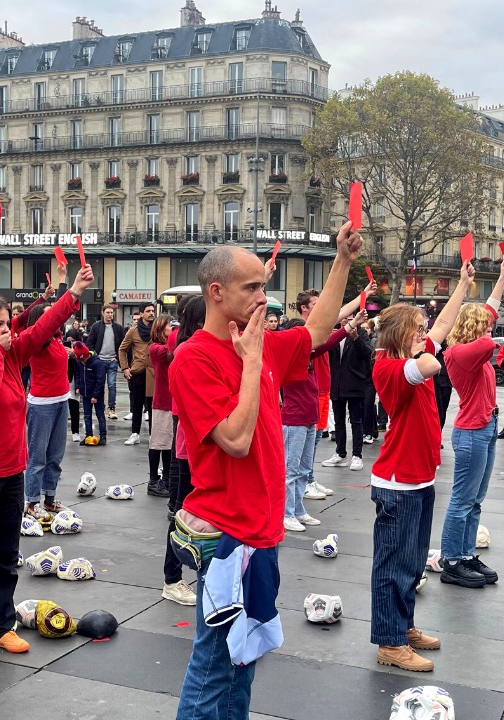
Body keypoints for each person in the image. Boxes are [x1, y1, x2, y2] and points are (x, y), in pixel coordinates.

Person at [169, 223, 358, 720]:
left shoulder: (263, 343)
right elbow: (234, 440)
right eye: (252, 287)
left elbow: (316, 330)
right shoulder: (192, 358)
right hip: (225, 535)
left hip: (262, 532)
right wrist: (251, 365)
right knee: (212, 667)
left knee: (243, 659)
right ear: (217, 292)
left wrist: (341, 260)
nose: (263, 296)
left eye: (263, 286)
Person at [0, 263, 93, 672]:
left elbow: (43, 328)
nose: (8, 330)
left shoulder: (12, 354)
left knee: (6, 557)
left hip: (11, 471)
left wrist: (73, 293)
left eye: (8, 323)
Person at [368, 262, 472, 672]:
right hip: (398, 482)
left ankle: (403, 625)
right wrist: (421, 349)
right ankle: (390, 643)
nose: (425, 332)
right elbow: (431, 364)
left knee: (411, 563)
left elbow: (444, 324)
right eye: (417, 327)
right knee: (392, 565)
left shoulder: (408, 353)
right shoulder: (390, 367)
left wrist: (463, 286)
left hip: (418, 478)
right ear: (400, 335)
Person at [438, 259, 504, 589]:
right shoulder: (458, 353)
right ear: (472, 326)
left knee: (475, 499)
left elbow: (491, 312)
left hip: (486, 427)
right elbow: (487, 337)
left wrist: (503, 277)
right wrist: (470, 296)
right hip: (471, 432)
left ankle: (466, 554)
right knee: (461, 500)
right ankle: (452, 560)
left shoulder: (473, 347)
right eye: (485, 325)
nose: (491, 330)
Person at [283, 313, 355, 531]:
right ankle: (286, 514)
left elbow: (326, 341)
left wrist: (350, 325)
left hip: (308, 420)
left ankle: (297, 511)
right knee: (291, 470)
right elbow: (326, 341)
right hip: (294, 421)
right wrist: (348, 326)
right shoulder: (290, 358)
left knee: (303, 469)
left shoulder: (307, 358)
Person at [154, 299, 202, 607]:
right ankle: (171, 579)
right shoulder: (185, 349)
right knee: (183, 515)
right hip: (191, 448)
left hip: (203, 448)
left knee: (196, 514)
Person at [23, 290, 78, 520]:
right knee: (37, 458)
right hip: (41, 405)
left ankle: (49, 498)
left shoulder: (56, 339)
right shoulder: (36, 341)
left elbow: (59, 318)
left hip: (60, 401)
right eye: (48, 316)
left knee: (55, 456)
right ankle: (32, 502)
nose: (54, 320)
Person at [323, 313, 374, 471]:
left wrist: (356, 338)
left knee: (356, 421)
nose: (347, 319)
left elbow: (367, 353)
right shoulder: (335, 334)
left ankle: (357, 455)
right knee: (339, 421)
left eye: (351, 317)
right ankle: (340, 452)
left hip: (355, 383)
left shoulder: (361, 333)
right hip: (337, 384)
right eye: (345, 316)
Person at [147, 315, 177, 499]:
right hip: (162, 401)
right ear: (160, 328)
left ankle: (165, 478)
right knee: (158, 442)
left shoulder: (164, 347)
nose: (172, 328)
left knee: (168, 444)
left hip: (172, 400)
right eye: (169, 326)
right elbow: (171, 352)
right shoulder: (156, 348)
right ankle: (153, 480)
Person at [119, 302, 156, 444]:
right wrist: (125, 368)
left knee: (153, 405)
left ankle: (154, 434)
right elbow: (122, 349)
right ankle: (135, 433)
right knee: (137, 404)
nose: (151, 313)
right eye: (148, 311)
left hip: (153, 372)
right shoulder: (133, 331)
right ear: (141, 314)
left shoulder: (156, 329)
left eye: (152, 310)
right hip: (138, 371)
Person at [86, 303, 125, 420]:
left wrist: (118, 358)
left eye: (111, 313)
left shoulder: (118, 328)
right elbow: (89, 343)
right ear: (103, 313)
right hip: (100, 361)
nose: (110, 315)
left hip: (112, 360)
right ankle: (101, 406)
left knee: (112, 385)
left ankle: (111, 408)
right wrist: (96, 357)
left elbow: (123, 345)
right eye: (107, 312)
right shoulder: (96, 326)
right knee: (100, 384)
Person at [73, 342, 108, 444]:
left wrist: (95, 395)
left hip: (97, 395)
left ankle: (103, 436)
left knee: (100, 415)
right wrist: (78, 387)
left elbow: (100, 381)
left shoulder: (97, 363)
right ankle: (88, 435)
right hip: (85, 393)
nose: (81, 361)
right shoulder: (80, 363)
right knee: (87, 416)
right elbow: (78, 375)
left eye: (82, 359)